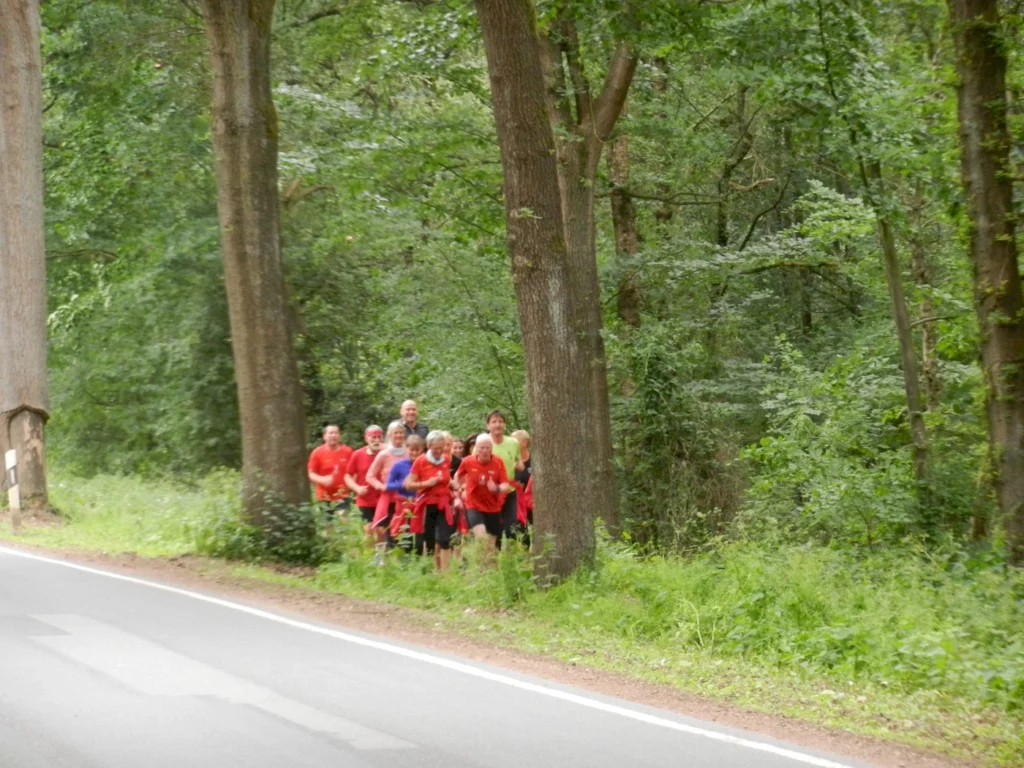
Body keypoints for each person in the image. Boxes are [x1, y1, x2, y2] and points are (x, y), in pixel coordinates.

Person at [405, 431, 456, 570]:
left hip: (443, 504)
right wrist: (426, 483)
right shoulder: (420, 461)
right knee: (430, 541)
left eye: (441, 447)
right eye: (435, 448)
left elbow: (446, 478)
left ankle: (446, 574)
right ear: (428, 446)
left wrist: (453, 484)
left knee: (446, 538)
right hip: (427, 505)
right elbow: (409, 484)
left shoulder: (446, 459)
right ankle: (432, 571)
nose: (439, 451)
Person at [457, 434, 512, 557]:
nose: (485, 451)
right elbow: (458, 476)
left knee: (491, 545)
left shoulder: (498, 462)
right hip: (473, 505)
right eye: (482, 448)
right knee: (482, 538)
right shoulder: (468, 461)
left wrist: (496, 488)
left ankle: (488, 571)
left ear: (492, 448)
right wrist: (459, 491)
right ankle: (481, 570)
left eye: (488, 448)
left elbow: (506, 486)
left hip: (493, 507)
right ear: (476, 448)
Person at [474, 411, 523, 541]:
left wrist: (520, 465)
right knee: (494, 531)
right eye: (494, 422)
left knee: (511, 528)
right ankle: (494, 559)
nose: (497, 425)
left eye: (500, 421)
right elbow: (473, 465)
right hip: (488, 493)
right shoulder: (482, 442)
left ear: (505, 424)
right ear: (488, 425)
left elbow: (519, 460)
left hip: (509, 490)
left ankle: (511, 558)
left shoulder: (513, 442)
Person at [367, 421, 408, 553]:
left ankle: (399, 559)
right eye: (396, 432)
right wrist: (380, 486)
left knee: (400, 529)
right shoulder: (383, 454)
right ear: (390, 435)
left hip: (404, 498)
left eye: (401, 432)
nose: (399, 435)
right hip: (387, 496)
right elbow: (370, 476)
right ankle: (379, 558)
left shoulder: (409, 453)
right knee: (380, 528)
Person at [343, 425, 384, 540]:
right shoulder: (357, 454)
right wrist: (357, 489)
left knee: (381, 530)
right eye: (373, 437)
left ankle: (383, 556)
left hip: (382, 497)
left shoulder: (386, 454)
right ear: (366, 439)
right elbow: (347, 476)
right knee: (369, 529)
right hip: (364, 498)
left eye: (379, 437)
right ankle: (371, 556)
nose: (376, 440)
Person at [385, 435, 423, 553]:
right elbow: (388, 485)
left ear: (421, 450)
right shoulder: (398, 465)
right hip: (402, 504)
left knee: (418, 537)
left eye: (417, 450)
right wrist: (403, 484)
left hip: (420, 505)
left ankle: (418, 558)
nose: (415, 453)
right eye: (412, 450)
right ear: (407, 449)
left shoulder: (425, 464)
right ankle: (398, 558)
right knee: (400, 534)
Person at [307, 424, 353, 520]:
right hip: (324, 495)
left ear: (339, 436)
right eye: (330, 433)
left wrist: (351, 485)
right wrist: (322, 479)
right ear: (324, 436)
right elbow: (310, 473)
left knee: (343, 521)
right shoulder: (317, 453)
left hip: (342, 494)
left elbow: (353, 471)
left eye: (336, 433)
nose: (333, 435)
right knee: (328, 526)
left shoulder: (347, 451)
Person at [511, 429, 534, 536]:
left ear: (525, 443)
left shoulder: (536, 459)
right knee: (521, 529)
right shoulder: (510, 460)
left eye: (514, 441)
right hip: (517, 501)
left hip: (533, 500)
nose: (511, 444)